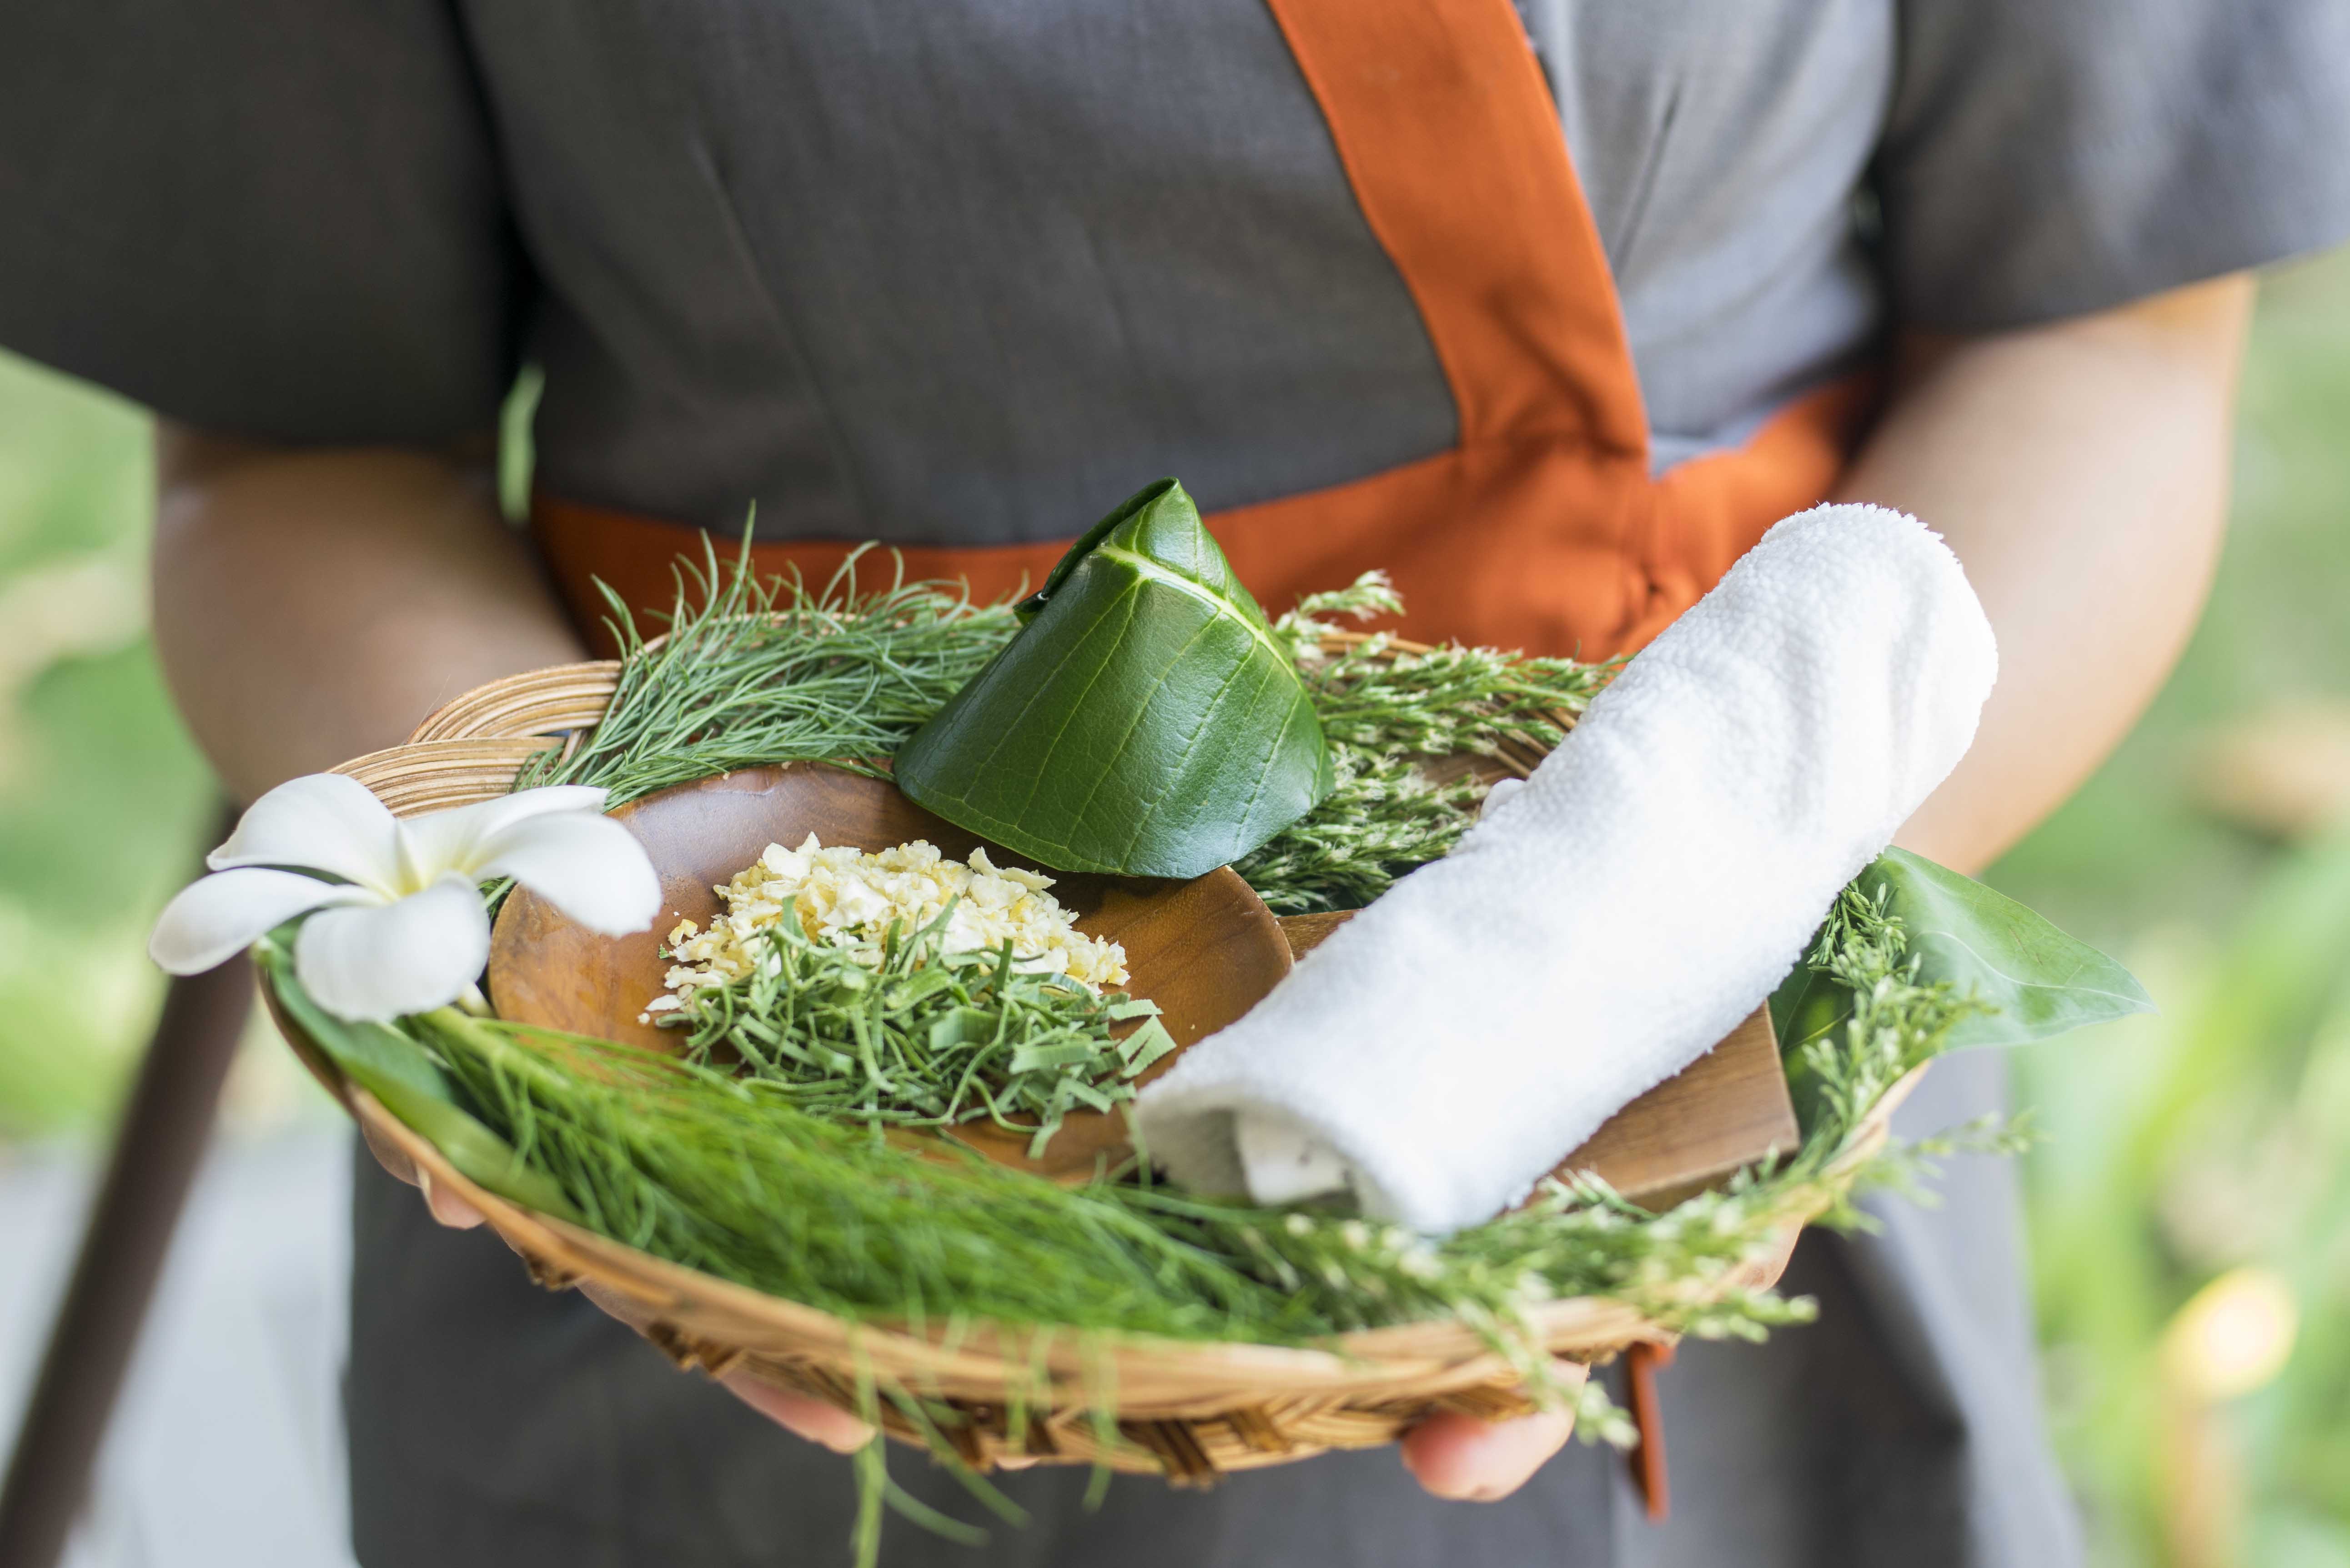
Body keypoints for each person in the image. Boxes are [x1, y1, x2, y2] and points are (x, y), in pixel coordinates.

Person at [5, 2, 2348, 1563]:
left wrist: (1658, 946)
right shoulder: (706, 1068)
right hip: (773, 1106)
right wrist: (574, 958)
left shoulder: (1706, 953)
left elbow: (2110, 325)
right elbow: (294, 450)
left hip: (1712, 1042)